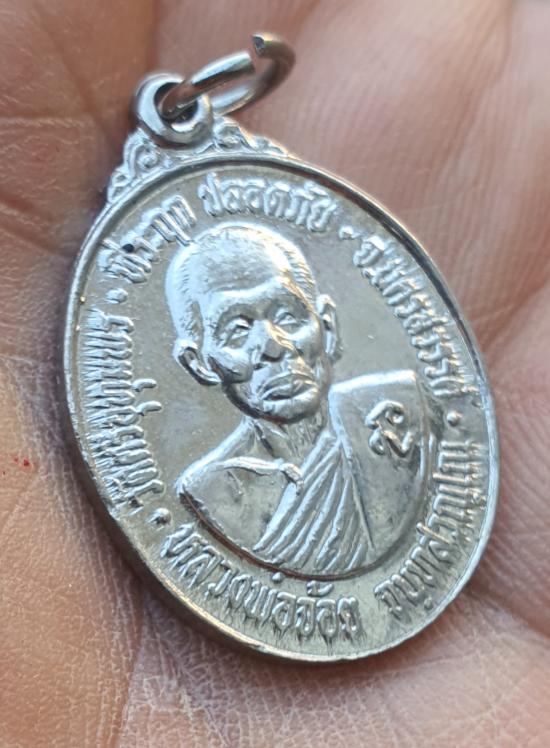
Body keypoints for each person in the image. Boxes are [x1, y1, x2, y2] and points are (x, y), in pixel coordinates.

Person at [166, 222, 430, 577]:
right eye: (238, 330)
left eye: (288, 317)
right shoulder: (212, 491)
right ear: (199, 364)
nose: (274, 346)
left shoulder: (399, 411)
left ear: (327, 327)